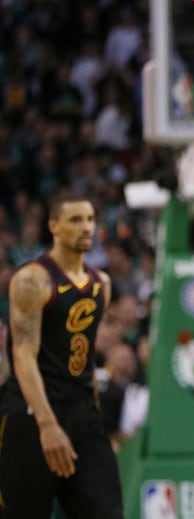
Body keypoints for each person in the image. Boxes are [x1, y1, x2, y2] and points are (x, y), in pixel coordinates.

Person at [0, 192, 123, 518]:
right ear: (54, 226)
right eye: (75, 220)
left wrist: (93, 414)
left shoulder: (102, 284)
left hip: (83, 414)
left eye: (90, 219)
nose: (86, 227)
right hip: (33, 415)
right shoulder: (32, 280)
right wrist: (48, 424)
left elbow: (86, 355)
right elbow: (23, 355)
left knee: (107, 511)